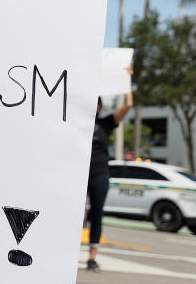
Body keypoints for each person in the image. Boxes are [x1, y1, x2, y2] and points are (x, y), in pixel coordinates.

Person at [87, 76, 133, 273]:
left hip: (99, 174)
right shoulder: (75, 124)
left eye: (95, 104)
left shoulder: (105, 123)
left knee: (96, 214)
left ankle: (92, 257)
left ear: (99, 107)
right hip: (77, 176)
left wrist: (127, 78)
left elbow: (128, 105)